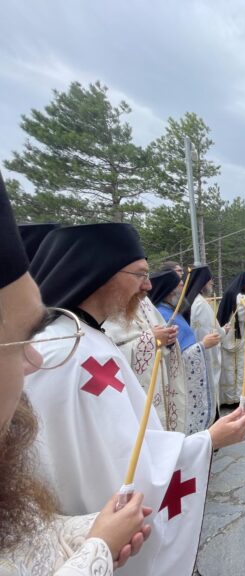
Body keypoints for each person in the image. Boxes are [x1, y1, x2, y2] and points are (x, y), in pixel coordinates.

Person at [25, 222, 245, 576]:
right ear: (101, 274)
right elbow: (124, 464)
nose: (148, 286)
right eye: (140, 274)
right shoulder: (73, 355)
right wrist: (208, 440)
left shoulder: (84, 338)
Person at [1, 175, 150, 573]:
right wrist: (99, 546)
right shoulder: (66, 351)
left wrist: (95, 534)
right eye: (16, 339)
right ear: (102, 273)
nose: (34, 360)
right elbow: (108, 462)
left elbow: (25, 544)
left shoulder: (90, 340)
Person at [103, 284, 187, 433]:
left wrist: (169, 339)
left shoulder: (144, 301)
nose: (148, 284)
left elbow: (160, 335)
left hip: (160, 384)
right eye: (140, 275)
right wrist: (149, 340)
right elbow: (106, 355)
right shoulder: (106, 303)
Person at [149, 269, 219, 434]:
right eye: (181, 285)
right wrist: (202, 345)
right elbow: (170, 358)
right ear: (169, 291)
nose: (184, 291)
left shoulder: (173, 312)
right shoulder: (164, 316)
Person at [189, 267, 227, 420]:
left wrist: (222, 330)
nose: (212, 283)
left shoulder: (195, 300)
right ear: (203, 282)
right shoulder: (200, 304)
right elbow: (206, 335)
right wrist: (222, 332)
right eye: (210, 280)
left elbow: (211, 328)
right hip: (205, 357)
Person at [218, 272, 245, 406]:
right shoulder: (238, 296)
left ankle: (233, 397)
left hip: (231, 334)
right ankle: (238, 398)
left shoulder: (231, 292)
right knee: (240, 366)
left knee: (232, 367)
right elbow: (243, 312)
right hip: (236, 335)